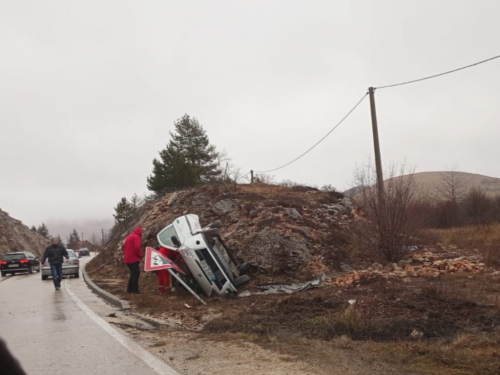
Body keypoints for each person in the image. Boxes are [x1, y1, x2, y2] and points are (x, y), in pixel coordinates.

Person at [123, 227, 143, 294]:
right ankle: (135, 289)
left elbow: (124, 247)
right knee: (136, 274)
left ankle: (129, 289)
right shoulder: (136, 237)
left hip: (127, 258)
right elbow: (137, 247)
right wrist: (140, 255)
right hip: (134, 258)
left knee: (133, 274)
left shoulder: (130, 236)